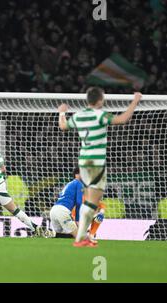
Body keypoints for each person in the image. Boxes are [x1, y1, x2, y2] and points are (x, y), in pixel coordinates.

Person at [58, 87, 142, 247]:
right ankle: (81, 237)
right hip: (96, 163)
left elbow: (63, 126)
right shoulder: (100, 115)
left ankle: (83, 237)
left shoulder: (79, 116)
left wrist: (62, 112)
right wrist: (135, 101)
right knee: (93, 202)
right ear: (100, 100)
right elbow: (123, 119)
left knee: (90, 201)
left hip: (83, 163)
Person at [49, 168, 83, 238]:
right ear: (76, 175)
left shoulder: (69, 184)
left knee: (61, 237)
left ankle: (49, 234)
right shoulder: (79, 183)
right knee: (79, 238)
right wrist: (77, 220)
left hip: (54, 210)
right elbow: (79, 203)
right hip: (62, 211)